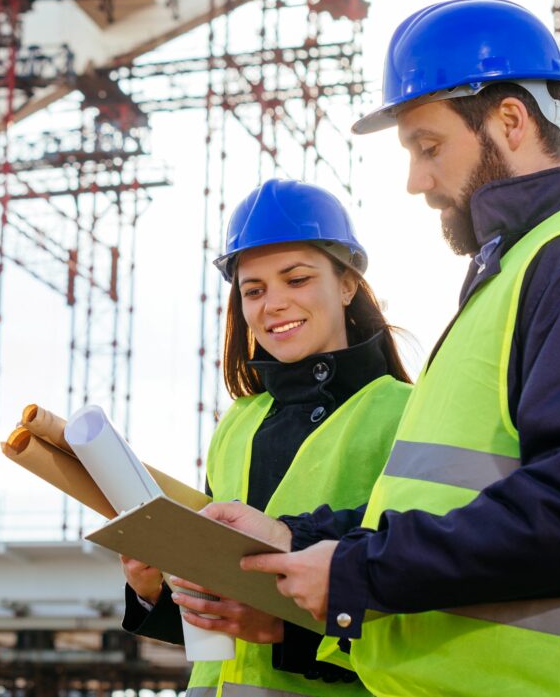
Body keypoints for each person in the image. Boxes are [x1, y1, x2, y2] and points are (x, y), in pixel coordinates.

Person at [203, 0, 560, 697]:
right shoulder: (519, 279)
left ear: (510, 118)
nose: (417, 181)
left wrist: (357, 573)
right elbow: (445, 507)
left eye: (428, 147)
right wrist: (291, 542)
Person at [121, 178, 413, 697]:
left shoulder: (405, 413)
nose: (272, 304)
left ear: (347, 284)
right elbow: (219, 618)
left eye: (296, 279)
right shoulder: (237, 423)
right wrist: (153, 591)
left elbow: (420, 589)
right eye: (253, 290)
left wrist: (286, 634)